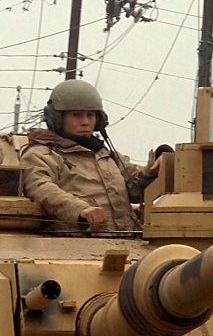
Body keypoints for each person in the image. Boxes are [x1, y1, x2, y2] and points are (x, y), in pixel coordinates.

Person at [18, 78, 152, 233]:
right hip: (70, 244)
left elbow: (135, 188)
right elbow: (40, 187)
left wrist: (152, 171)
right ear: (57, 119)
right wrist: (80, 210)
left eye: (90, 115)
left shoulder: (108, 157)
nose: (85, 122)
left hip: (126, 242)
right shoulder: (42, 155)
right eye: (77, 115)